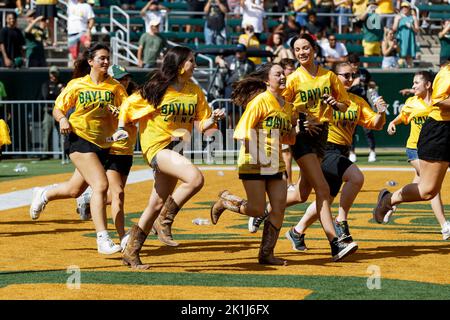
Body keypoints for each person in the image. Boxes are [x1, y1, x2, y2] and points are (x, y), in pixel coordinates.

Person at [114, 46, 225, 269]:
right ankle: (164, 221)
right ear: (179, 64)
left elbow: (202, 124)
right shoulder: (157, 87)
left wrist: (213, 119)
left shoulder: (194, 90)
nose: (195, 64)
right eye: (191, 61)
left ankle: (131, 252)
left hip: (177, 149)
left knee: (155, 204)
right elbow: (128, 104)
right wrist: (120, 127)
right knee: (195, 179)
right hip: (157, 146)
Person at [253, 34, 359, 261]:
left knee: (302, 194)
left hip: (323, 135)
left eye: (306, 48)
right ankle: (335, 243)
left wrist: (334, 103)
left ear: (314, 49)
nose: (302, 52)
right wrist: (300, 121)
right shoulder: (292, 79)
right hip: (303, 137)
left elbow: (343, 105)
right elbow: (283, 106)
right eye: (298, 49)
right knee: (322, 190)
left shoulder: (329, 76)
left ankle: (263, 210)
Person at [29, 43, 129, 255]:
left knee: (75, 190)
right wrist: (63, 119)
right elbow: (58, 108)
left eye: (107, 58)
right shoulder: (77, 85)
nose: (105, 61)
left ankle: (44, 193)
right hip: (79, 138)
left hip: (104, 143)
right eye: (101, 58)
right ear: (91, 62)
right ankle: (102, 239)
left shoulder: (115, 88)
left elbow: (125, 113)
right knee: (101, 185)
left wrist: (118, 113)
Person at [285, 62, 387, 251]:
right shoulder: (323, 96)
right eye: (345, 75)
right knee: (356, 178)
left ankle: (295, 231)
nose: (349, 79)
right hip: (325, 149)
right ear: (335, 77)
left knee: (319, 198)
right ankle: (341, 222)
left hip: (342, 152)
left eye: (352, 75)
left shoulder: (356, 101)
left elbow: (376, 124)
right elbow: (299, 109)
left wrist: (381, 113)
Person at [210, 62, 297, 265]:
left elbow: (288, 139)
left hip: (275, 163)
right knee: (257, 210)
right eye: (278, 74)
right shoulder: (260, 101)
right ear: (267, 80)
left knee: (279, 208)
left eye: (283, 74)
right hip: (253, 161)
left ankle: (266, 254)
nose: (283, 77)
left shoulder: (287, 106)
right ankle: (226, 201)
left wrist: (297, 129)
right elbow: (241, 132)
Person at [373, 61, 450, 240]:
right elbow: (439, 103)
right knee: (428, 191)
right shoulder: (446, 74)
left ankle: (444, 225)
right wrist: (392, 123)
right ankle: (387, 200)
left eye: (417, 83)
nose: (413, 86)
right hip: (439, 131)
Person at [38, 65, 65, 160]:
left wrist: (54, 93)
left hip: (59, 112)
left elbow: (63, 96)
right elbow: (46, 96)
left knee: (62, 133)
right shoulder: (46, 84)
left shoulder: (62, 84)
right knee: (46, 133)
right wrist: (57, 91)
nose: (53, 75)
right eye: (51, 73)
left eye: (55, 73)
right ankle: (46, 154)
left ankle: (64, 153)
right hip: (49, 112)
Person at [279, 58, 296, 191]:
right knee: (286, 154)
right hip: (283, 121)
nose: (293, 71)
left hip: (290, 120)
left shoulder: (292, 83)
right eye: (290, 69)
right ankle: (288, 183)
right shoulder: (283, 85)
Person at [67, 0, 95, 64]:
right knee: (74, 57)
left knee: (89, 47)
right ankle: (76, 72)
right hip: (71, 33)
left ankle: (91, 67)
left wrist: (88, 30)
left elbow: (91, 20)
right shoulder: (70, 3)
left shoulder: (87, 6)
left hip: (82, 31)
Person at [392, 2, 419, 68]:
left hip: (410, 40)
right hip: (401, 40)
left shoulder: (413, 17)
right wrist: (397, 21)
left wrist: (412, 26)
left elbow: (417, 30)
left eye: (406, 7)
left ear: (409, 8)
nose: (404, 8)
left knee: (409, 59)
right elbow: (393, 29)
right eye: (403, 7)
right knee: (401, 58)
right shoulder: (398, 17)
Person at [358, 0, 383, 68]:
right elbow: (360, 18)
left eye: (374, 5)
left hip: (377, 41)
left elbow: (380, 28)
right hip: (368, 41)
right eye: (370, 5)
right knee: (367, 59)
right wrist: (367, 10)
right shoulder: (366, 14)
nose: (372, 6)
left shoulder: (378, 14)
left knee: (375, 60)